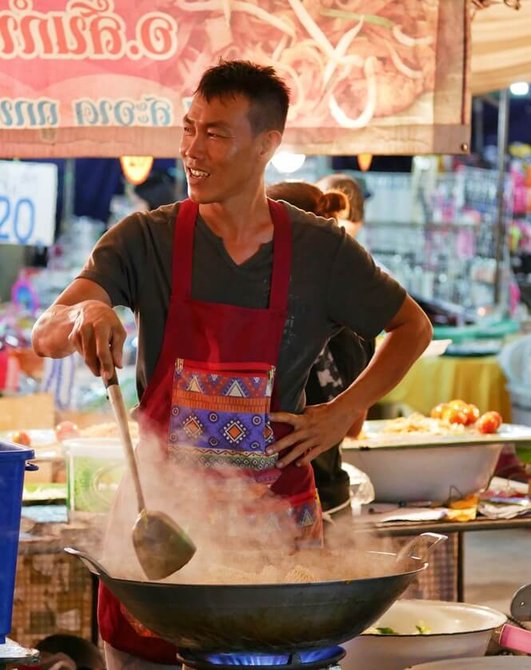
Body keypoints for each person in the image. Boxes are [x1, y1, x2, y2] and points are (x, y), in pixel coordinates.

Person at [31, 60, 432, 670]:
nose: (193, 149)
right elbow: (46, 333)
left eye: (215, 133)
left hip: (275, 539)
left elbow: (412, 328)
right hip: (163, 533)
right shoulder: (147, 238)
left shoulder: (322, 250)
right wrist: (85, 316)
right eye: (189, 128)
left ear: (267, 143)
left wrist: (344, 409)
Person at [266, 180, 375, 520]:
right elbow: (354, 426)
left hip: (275, 505)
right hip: (331, 495)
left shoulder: (269, 317)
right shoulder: (360, 318)